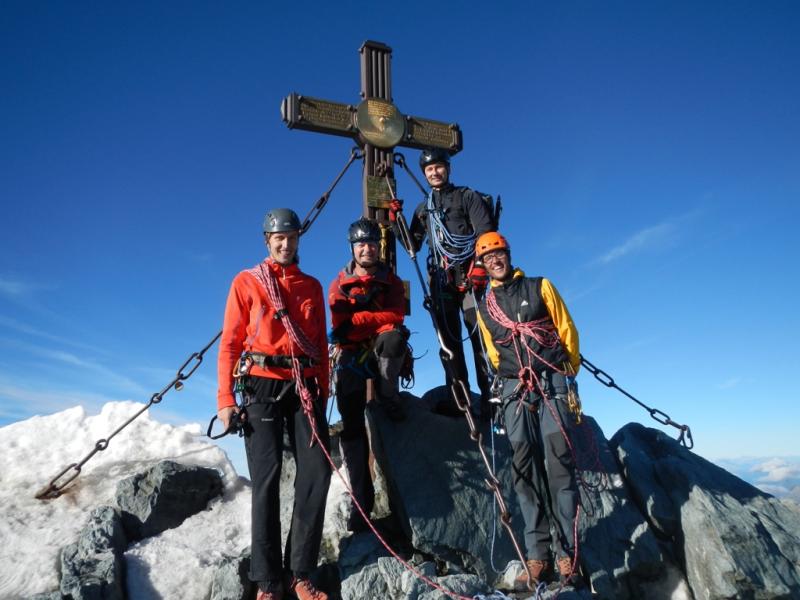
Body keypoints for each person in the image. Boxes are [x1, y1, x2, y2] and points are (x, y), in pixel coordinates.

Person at [217, 208, 331, 600]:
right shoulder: (247, 282)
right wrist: (225, 399)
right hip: (261, 384)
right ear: (267, 241)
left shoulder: (312, 286)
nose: (286, 243)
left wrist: (324, 394)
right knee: (266, 479)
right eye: (278, 238)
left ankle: (301, 571)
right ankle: (266, 580)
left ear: (299, 240)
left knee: (317, 470)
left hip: (304, 386)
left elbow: (321, 343)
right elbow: (231, 342)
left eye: (292, 237)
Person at [474, 231, 583, 590]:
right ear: (483, 265)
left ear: (508, 255)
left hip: (550, 383)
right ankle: (538, 556)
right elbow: (492, 352)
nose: (496, 261)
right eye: (489, 258)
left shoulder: (540, 286)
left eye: (499, 254)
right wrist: (508, 378)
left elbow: (566, 328)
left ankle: (569, 554)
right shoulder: (485, 304)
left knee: (559, 466)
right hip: (514, 390)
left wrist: (567, 372)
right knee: (523, 473)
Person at [390, 147, 494, 417]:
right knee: (449, 344)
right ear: (424, 174)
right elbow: (413, 244)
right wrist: (396, 222)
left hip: (471, 278)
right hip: (442, 282)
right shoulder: (424, 209)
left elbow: (486, 233)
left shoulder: (467, 197)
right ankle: (461, 402)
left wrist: (480, 268)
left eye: (438, 167)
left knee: (479, 339)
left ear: (447, 169)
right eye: (429, 169)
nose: (434, 172)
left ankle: (491, 399)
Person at [328, 216, 408, 532]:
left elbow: (397, 315)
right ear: (353, 248)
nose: (367, 249)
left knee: (393, 338)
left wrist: (360, 319)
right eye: (361, 244)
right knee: (351, 429)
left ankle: (388, 395)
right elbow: (339, 326)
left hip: (376, 350)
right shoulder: (339, 283)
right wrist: (373, 321)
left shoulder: (392, 280)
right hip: (351, 357)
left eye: (372, 244)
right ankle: (362, 505)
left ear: (378, 248)